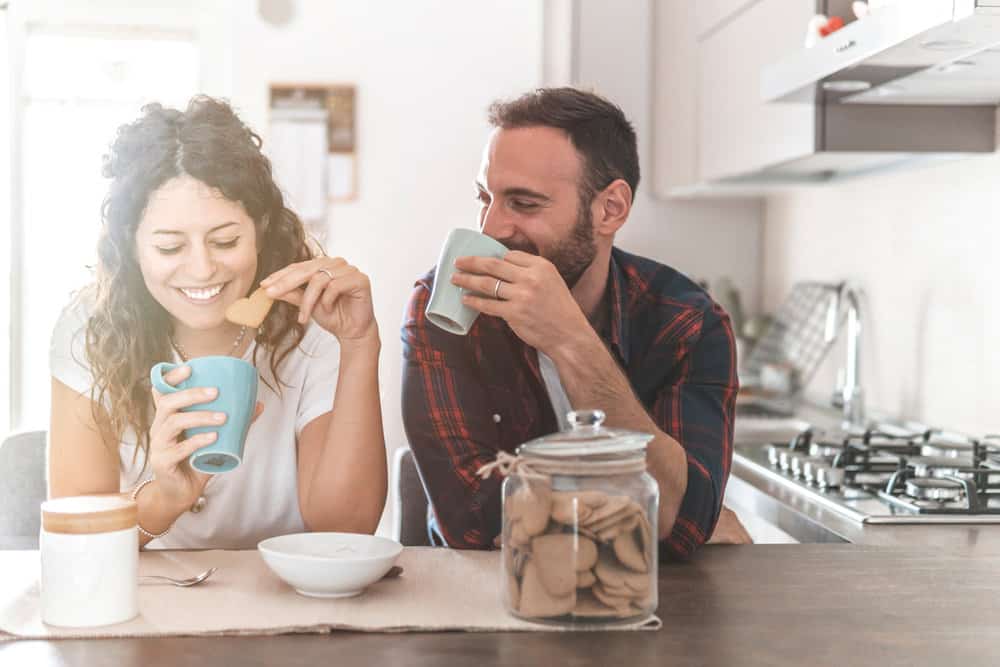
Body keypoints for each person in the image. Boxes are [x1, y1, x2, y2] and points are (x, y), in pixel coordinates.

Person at [402, 87, 749, 558]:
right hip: (482, 598)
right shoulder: (445, 306)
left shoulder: (687, 322)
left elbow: (677, 522)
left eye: (523, 204)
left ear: (610, 209)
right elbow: (472, 522)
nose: (491, 229)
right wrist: (641, 517)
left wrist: (572, 342)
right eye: (486, 198)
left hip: (644, 603)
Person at [49, 96, 386, 549]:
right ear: (131, 246)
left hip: (286, 601)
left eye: (225, 241)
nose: (203, 269)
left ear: (261, 227)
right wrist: (165, 498)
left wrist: (360, 344)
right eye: (170, 248)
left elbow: (346, 528)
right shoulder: (88, 327)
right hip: (148, 603)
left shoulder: (314, 321)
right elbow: (76, 536)